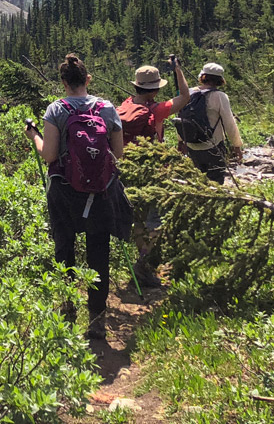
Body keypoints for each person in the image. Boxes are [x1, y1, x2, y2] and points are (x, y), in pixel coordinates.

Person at [25, 53, 127, 341]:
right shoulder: (107, 108)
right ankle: (96, 319)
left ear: (63, 82)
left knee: (64, 248)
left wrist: (33, 135)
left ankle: (67, 310)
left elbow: (50, 155)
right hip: (100, 192)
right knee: (98, 252)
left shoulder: (56, 110)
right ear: (88, 79)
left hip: (64, 191)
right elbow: (118, 154)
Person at [117, 56, 190, 287]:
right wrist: (177, 69)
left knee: (138, 219)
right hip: (151, 171)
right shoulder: (157, 110)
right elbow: (185, 97)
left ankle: (142, 262)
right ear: (155, 90)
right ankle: (144, 265)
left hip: (127, 170)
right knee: (155, 219)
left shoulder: (126, 105)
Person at [177, 62, 243, 185]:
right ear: (220, 80)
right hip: (214, 147)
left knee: (199, 182)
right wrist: (237, 146)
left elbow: (182, 117)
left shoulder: (189, 93)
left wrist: (181, 140)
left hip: (192, 145)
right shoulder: (220, 96)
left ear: (203, 76)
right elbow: (229, 124)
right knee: (216, 183)